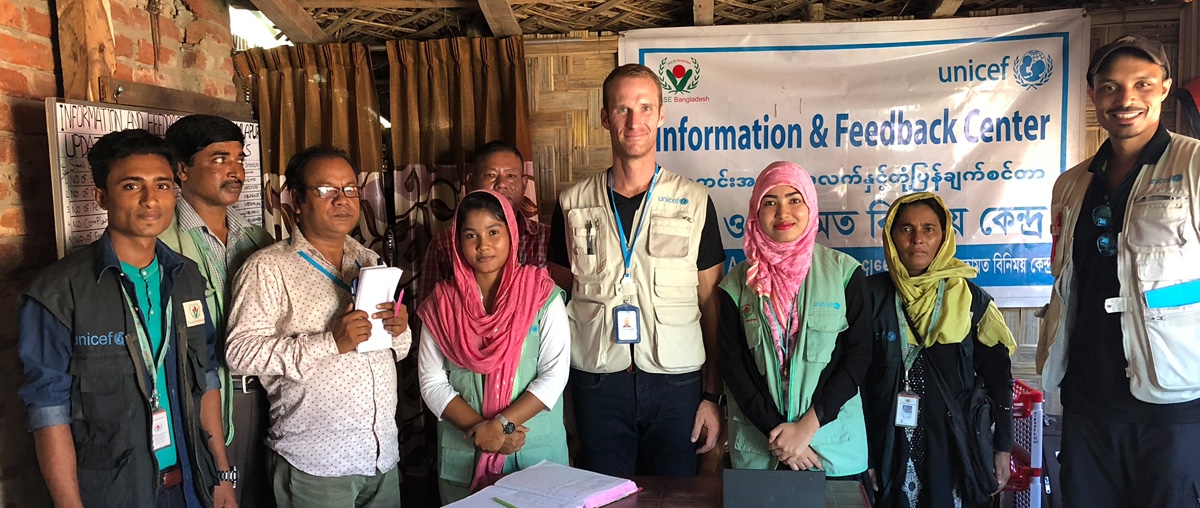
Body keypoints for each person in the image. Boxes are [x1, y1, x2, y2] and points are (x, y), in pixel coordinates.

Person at [18, 129, 236, 507]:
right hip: (113, 493)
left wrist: (222, 475)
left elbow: (208, 379)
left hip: (193, 484)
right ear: (101, 196)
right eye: (132, 186)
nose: (151, 200)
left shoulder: (187, 279)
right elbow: (48, 412)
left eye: (162, 185)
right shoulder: (57, 293)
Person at [1036, 35, 1200, 507]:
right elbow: (1069, 283)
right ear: (1093, 95)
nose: (1125, 99)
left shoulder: (1193, 166)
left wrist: (1161, 304)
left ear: (1165, 89)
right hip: (1087, 402)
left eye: (1142, 84)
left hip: (1174, 407)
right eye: (1110, 87)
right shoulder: (1071, 184)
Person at [547, 63, 726, 477]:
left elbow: (712, 305)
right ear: (605, 117)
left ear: (661, 115)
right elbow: (556, 304)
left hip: (677, 385)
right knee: (602, 496)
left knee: (676, 497)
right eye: (623, 109)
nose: (634, 120)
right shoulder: (571, 204)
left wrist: (712, 398)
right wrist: (565, 400)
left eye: (645, 108)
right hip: (596, 383)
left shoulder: (696, 201)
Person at [224, 147, 413, 508]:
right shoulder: (268, 267)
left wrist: (398, 328)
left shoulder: (368, 259)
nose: (342, 200)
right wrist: (328, 343)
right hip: (314, 463)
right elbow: (239, 353)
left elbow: (395, 349)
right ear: (296, 200)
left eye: (350, 189)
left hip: (380, 455)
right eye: (326, 191)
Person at [717, 162, 872, 481]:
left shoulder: (845, 274)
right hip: (762, 451)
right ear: (756, 212)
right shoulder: (735, 284)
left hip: (830, 449)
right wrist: (782, 438)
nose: (783, 212)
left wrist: (806, 428)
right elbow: (732, 366)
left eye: (794, 199)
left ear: (811, 206)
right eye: (770, 202)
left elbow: (858, 358)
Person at [863, 192, 1016, 508]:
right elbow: (856, 382)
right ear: (891, 237)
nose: (917, 239)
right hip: (889, 444)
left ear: (944, 237)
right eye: (906, 229)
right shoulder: (870, 296)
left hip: (953, 445)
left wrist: (1003, 446)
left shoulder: (972, 301)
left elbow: (999, 378)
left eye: (929, 229)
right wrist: (864, 455)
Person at [417, 190, 570, 504]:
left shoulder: (541, 295)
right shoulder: (441, 304)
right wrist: (484, 432)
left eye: (493, 232)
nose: (483, 244)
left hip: (532, 452)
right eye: (470, 234)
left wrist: (503, 425)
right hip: (466, 450)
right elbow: (431, 382)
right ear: (457, 241)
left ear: (511, 235)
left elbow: (554, 375)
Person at [162, 114, 275, 508]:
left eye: (239, 159)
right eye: (218, 158)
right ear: (181, 170)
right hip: (204, 402)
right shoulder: (162, 245)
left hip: (268, 395)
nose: (235, 170)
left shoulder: (258, 239)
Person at [418, 140, 550, 303]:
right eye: (491, 175)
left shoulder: (547, 238)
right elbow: (430, 312)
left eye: (511, 176)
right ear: (472, 183)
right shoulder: (443, 245)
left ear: (524, 185)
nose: (502, 184)